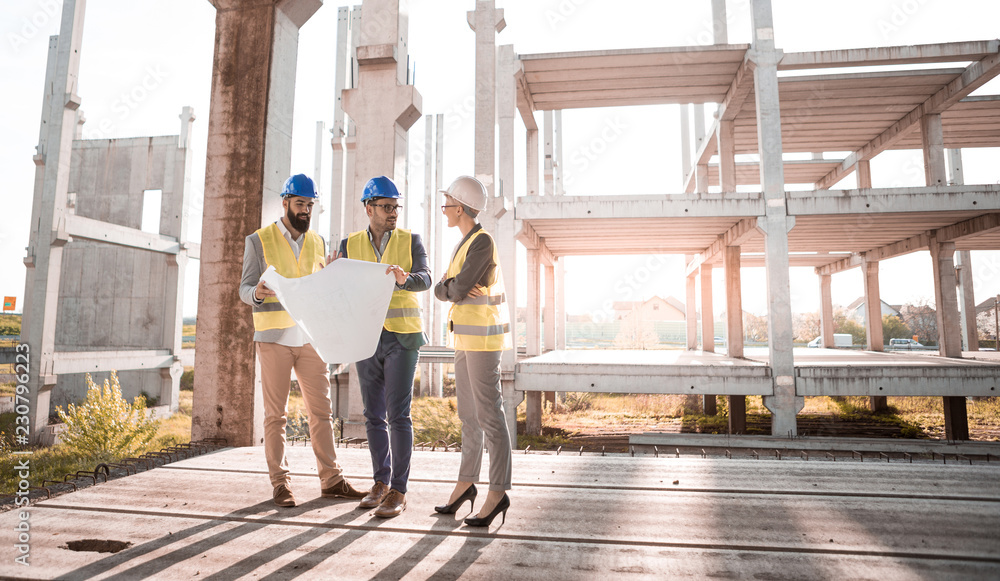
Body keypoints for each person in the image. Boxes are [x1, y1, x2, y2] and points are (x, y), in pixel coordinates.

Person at [239, 173, 367, 508]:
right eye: (300, 204)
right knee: (275, 415)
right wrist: (257, 293)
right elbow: (244, 288)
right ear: (285, 203)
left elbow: (322, 290)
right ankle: (281, 484)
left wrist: (333, 274)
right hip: (275, 339)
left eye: (310, 205)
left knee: (321, 412)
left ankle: (332, 479)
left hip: (311, 338)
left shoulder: (319, 243)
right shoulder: (259, 240)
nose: (306, 211)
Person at [336, 176, 431, 518]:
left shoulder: (410, 240)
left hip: (402, 338)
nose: (393, 213)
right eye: (386, 206)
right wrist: (329, 274)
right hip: (366, 337)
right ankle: (380, 483)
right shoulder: (349, 245)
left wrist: (407, 280)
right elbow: (340, 289)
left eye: (396, 207)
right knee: (373, 415)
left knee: (398, 415)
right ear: (369, 208)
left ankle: (399, 490)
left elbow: (427, 278)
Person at [433, 175, 513, 527]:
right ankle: (466, 484)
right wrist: (454, 287)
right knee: (468, 415)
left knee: (490, 416)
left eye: (447, 202)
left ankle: (498, 491)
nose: (444, 208)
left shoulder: (482, 243)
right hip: (464, 340)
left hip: (483, 341)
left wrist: (454, 286)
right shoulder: (463, 243)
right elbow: (443, 288)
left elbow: (459, 286)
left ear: (461, 208)